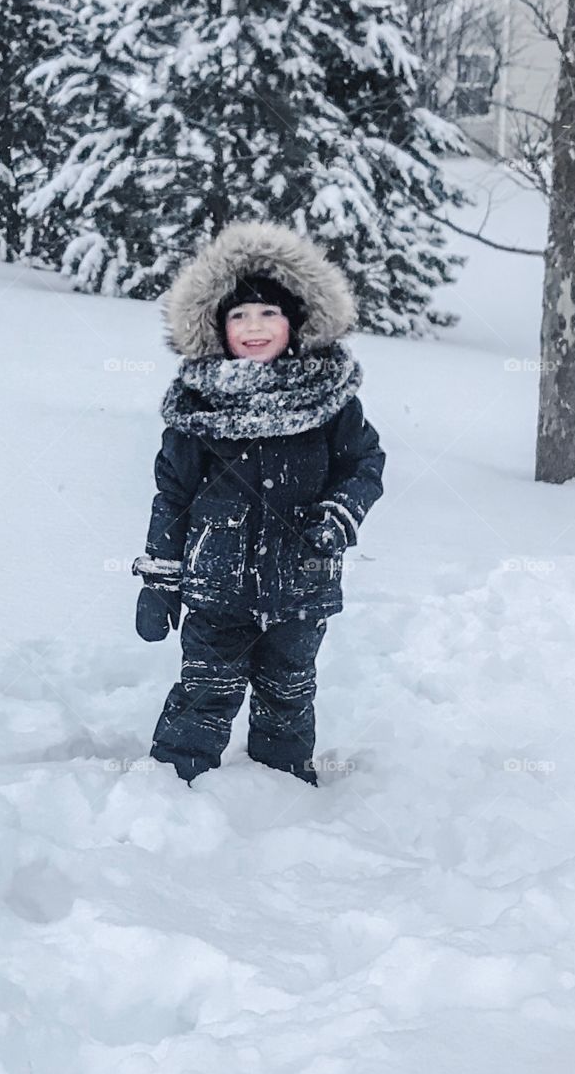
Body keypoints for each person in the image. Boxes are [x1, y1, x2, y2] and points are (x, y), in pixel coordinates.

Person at [132, 221, 386, 787]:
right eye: (239, 315)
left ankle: (283, 788)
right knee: (204, 690)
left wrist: (339, 514)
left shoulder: (329, 398)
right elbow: (173, 495)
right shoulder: (199, 405)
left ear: (296, 321)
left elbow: (364, 464)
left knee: (288, 692)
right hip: (216, 584)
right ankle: (172, 789)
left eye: (269, 313)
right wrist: (160, 580)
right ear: (215, 325)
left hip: (302, 583)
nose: (253, 327)